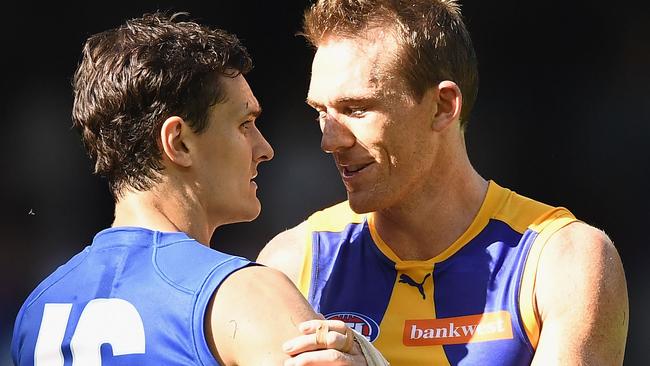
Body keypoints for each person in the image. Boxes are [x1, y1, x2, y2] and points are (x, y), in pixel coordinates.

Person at [260, 0, 629, 365]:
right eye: (321, 113)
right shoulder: (293, 264)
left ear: (442, 106)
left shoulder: (564, 261)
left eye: (357, 109)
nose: (330, 141)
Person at [11, 12, 387, 366]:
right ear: (179, 142)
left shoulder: (37, 309)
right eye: (245, 124)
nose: (264, 149)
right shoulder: (246, 295)